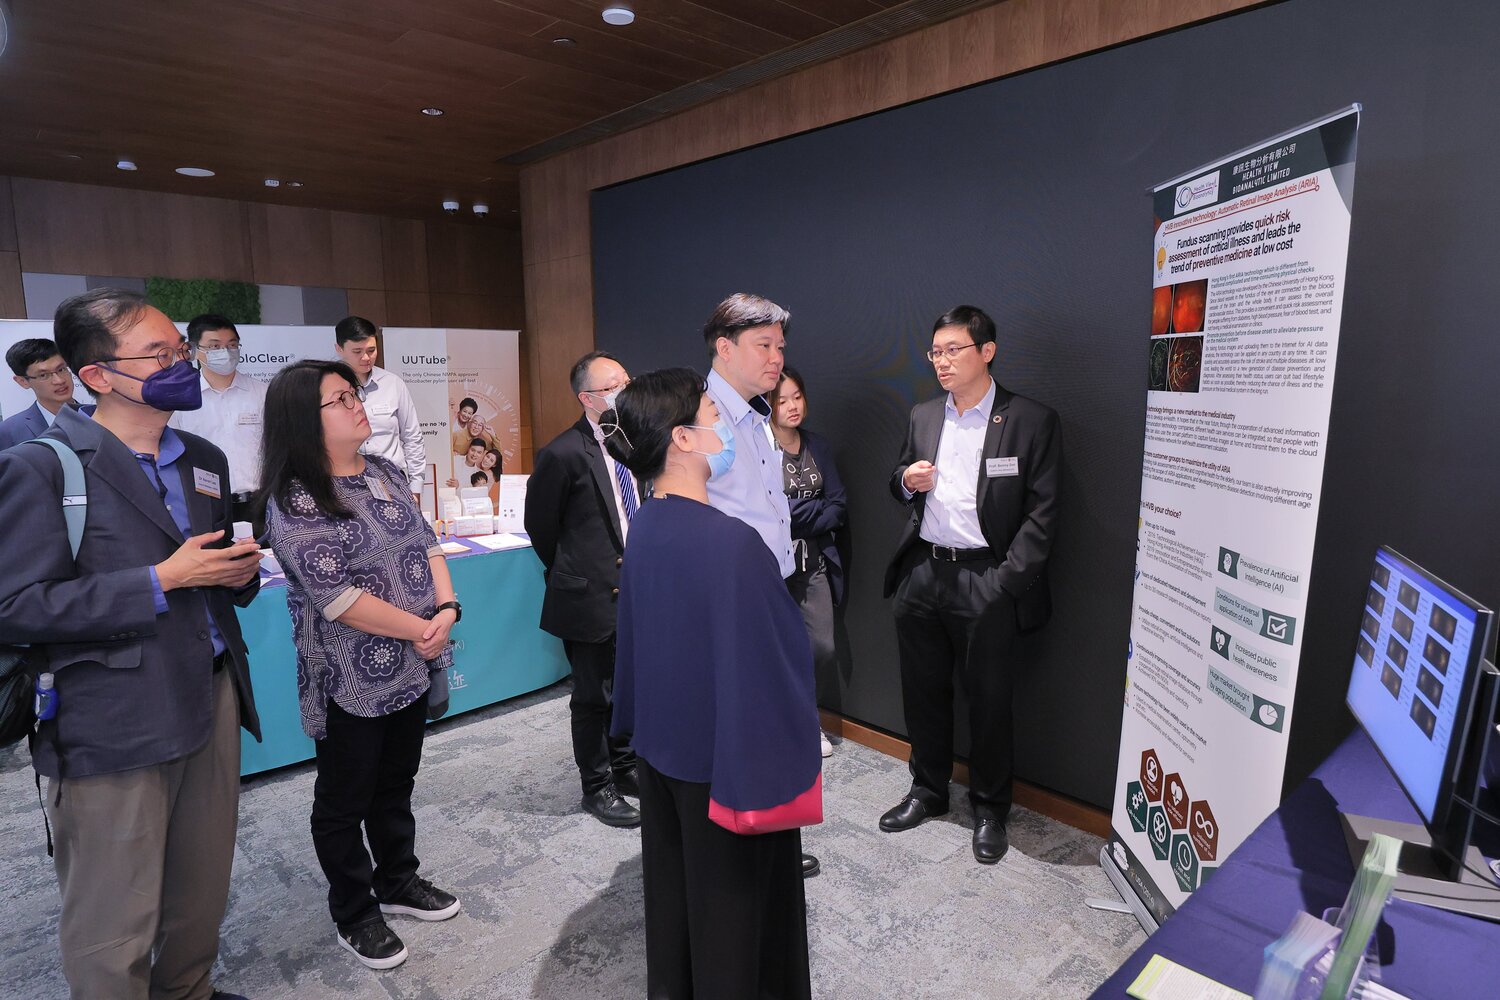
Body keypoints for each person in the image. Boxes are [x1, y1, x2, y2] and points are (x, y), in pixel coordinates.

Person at [0, 288, 262, 1000]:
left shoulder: (203, 459)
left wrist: (235, 576)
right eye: (159, 354)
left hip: (209, 690)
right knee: (114, 913)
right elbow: (16, 605)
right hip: (110, 714)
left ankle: (188, 989)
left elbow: (206, 570)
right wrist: (162, 580)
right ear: (95, 376)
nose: (181, 363)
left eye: (180, 348)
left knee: (201, 882)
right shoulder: (43, 467)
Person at [605, 367, 817, 999]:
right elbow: (777, 661)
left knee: (676, 902)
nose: (724, 426)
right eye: (712, 416)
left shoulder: (646, 522)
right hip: (726, 767)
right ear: (683, 440)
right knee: (736, 917)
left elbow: (639, 639)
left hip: (662, 750)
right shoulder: (732, 543)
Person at [259, 359, 462, 971]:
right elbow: (338, 598)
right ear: (303, 420)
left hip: (411, 661)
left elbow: (427, 545)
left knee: (396, 782)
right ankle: (355, 910)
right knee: (345, 798)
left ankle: (398, 879)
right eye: (340, 399)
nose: (357, 404)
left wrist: (447, 608)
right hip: (350, 675)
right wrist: (423, 628)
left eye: (354, 394)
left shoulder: (384, 471)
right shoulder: (295, 498)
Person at [879, 305, 1061, 865]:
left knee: (989, 701)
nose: (942, 361)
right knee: (922, 691)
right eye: (935, 351)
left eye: (954, 349)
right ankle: (928, 791)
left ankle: (989, 808)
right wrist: (905, 482)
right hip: (925, 572)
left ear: (987, 351)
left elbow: (1044, 513)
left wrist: (1004, 584)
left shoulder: (1029, 419)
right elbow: (900, 480)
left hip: (987, 577)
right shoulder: (924, 414)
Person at [701, 293, 820, 878]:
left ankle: (769, 834)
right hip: (732, 599)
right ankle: (742, 841)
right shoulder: (704, 419)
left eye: (780, 346)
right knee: (738, 724)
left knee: (765, 721)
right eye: (763, 346)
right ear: (725, 348)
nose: (776, 358)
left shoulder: (754, 416)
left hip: (771, 587)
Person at [524, 351, 641, 828]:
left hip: (637, 587)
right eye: (613, 385)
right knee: (594, 695)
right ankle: (597, 786)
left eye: (626, 380)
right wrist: (574, 571)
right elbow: (541, 528)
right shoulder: (563, 452)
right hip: (589, 592)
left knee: (630, 686)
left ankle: (627, 765)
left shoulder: (633, 441)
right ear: (587, 398)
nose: (624, 390)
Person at [769, 367, 848, 759]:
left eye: (797, 396)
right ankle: (792, 723)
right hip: (773, 566)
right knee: (775, 649)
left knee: (821, 646)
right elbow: (769, 512)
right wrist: (805, 511)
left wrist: (798, 512)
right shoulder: (762, 448)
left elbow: (839, 506)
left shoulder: (817, 445)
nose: (792, 406)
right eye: (782, 400)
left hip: (814, 560)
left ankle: (803, 716)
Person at [169, 314, 268, 527]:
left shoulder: (263, 393)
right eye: (214, 347)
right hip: (207, 506)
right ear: (193, 351)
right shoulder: (180, 399)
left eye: (232, 345)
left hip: (262, 503)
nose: (225, 352)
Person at [333, 316, 426, 501]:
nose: (366, 358)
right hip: (346, 484)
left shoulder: (393, 384)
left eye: (371, 350)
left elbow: (412, 436)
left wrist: (415, 487)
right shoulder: (327, 387)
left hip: (392, 480)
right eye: (357, 351)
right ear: (339, 348)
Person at [0, 337, 77, 449]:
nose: (59, 380)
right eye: (43, 375)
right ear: (23, 382)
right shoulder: (8, 431)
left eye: (61, 369)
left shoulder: (98, 415)